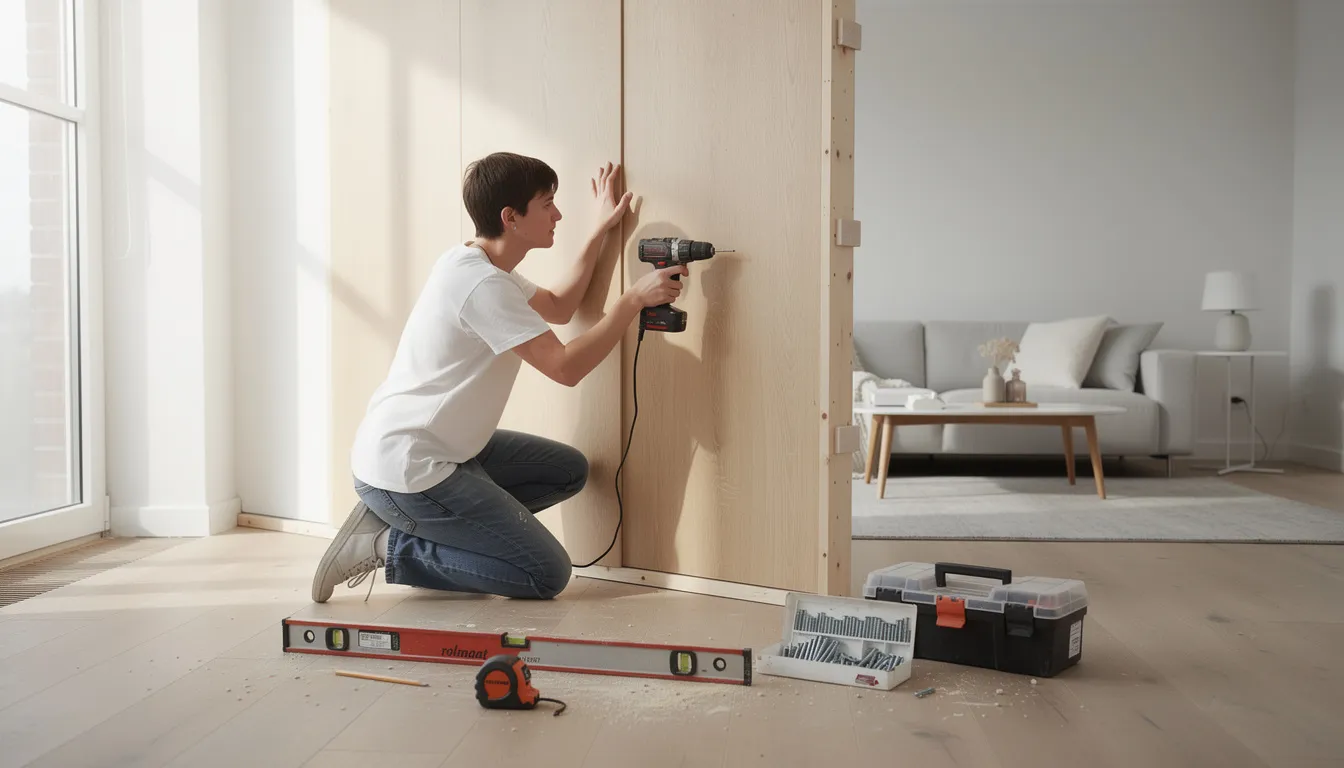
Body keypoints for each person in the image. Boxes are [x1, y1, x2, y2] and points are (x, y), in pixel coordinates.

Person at [311, 152, 686, 603]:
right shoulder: (483, 286)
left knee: (566, 471)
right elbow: (564, 368)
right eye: (547, 204)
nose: (558, 214)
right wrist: (631, 302)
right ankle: (383, 543)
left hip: (437, 449)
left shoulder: (478, 264)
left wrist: (600, 231)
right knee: (544, 574)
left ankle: (418, 522)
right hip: (411, 466)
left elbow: (562, 306)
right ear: (511, 217)